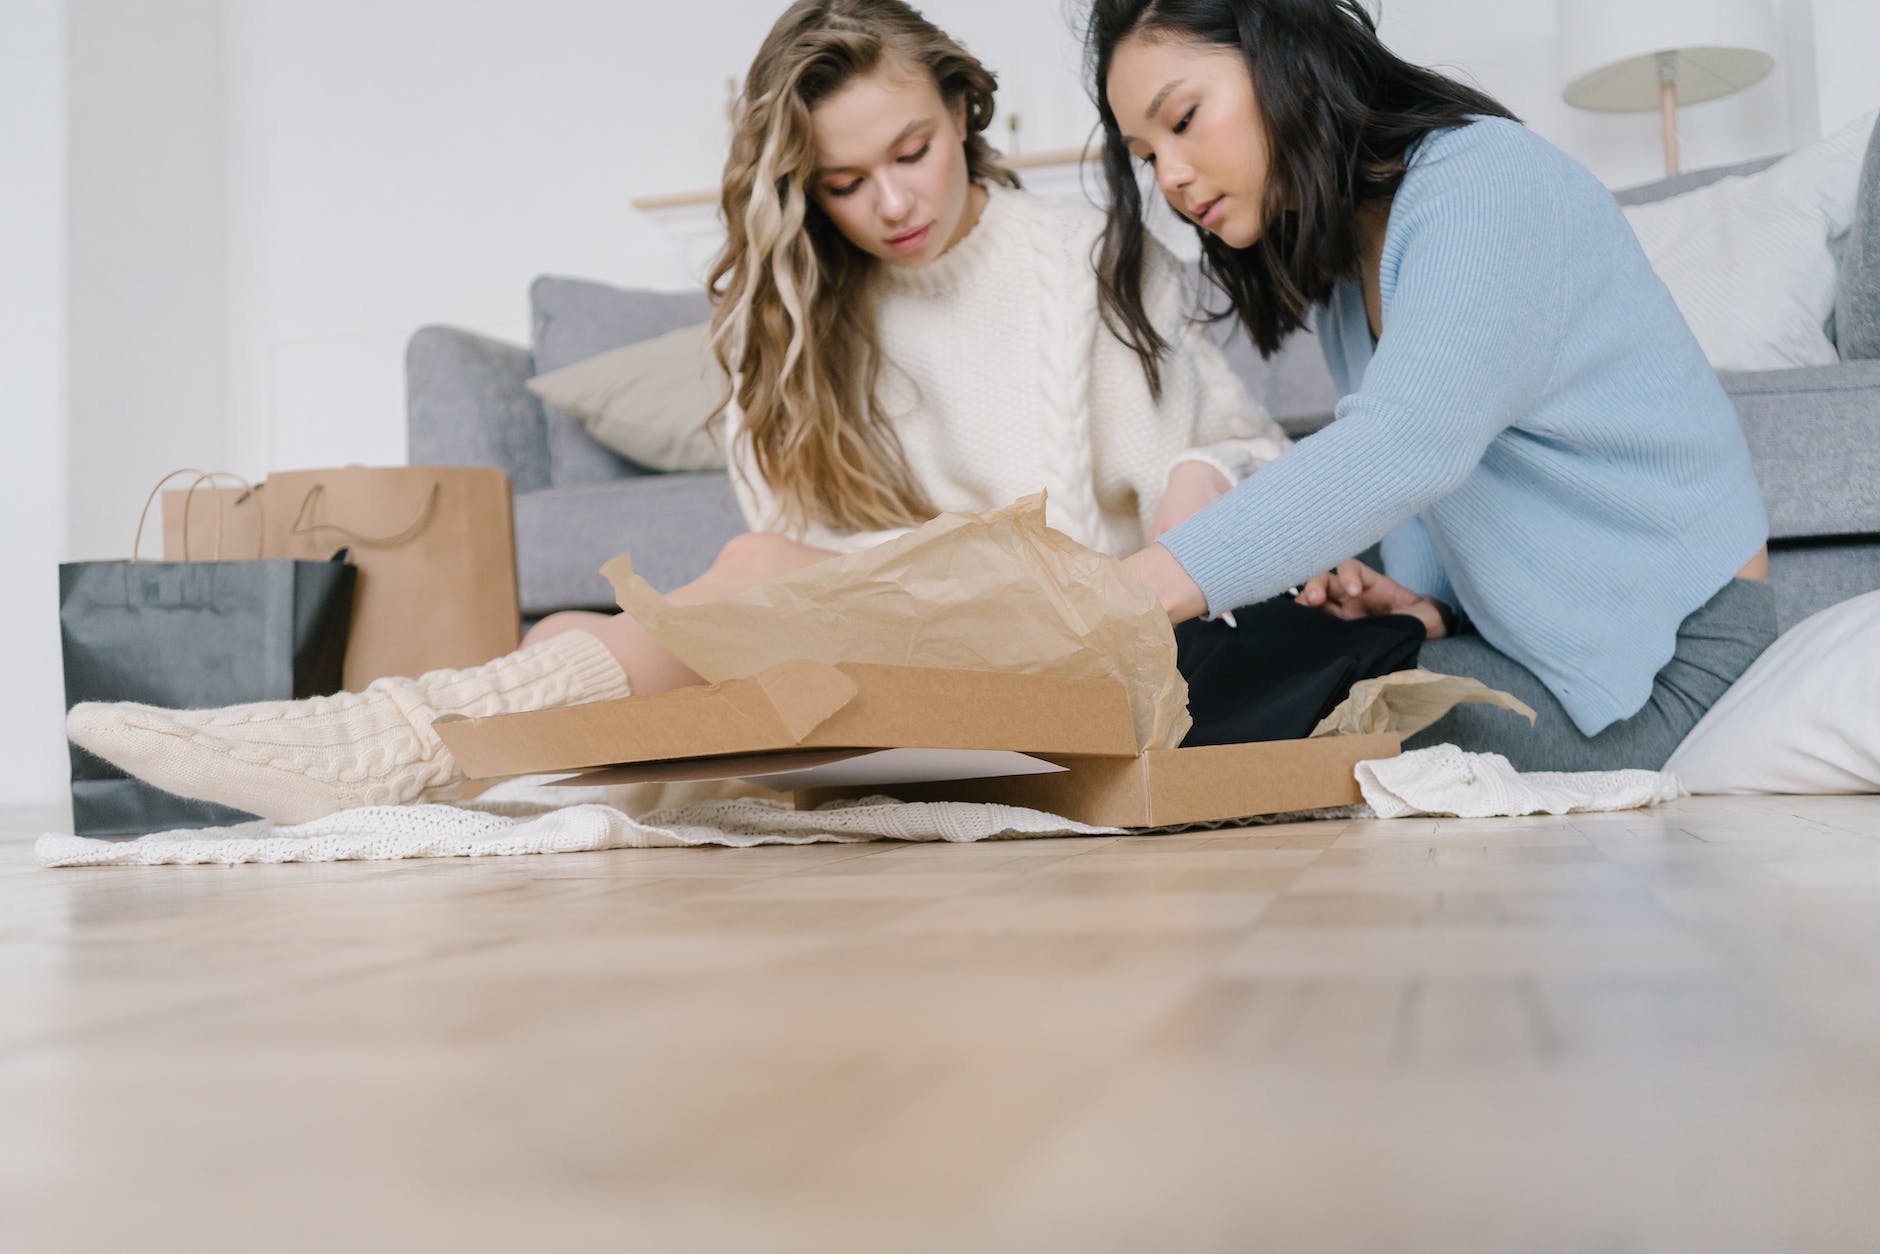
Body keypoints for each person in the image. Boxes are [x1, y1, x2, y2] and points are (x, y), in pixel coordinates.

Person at [68, 0, 1288, 825]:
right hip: (883, 651)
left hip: (1070, 645)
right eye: (842, 183)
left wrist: (1195, 510)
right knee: (603, 641)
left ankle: (389, 745)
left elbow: (1229, 448)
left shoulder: (1088, 257)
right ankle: (401, 749)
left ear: (964, 108)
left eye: (912, 148)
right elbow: (810, 564)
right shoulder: (802, 312)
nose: (892, 203)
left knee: (735, 575)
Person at [1091, 0, 1776, 771]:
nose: (1172, 177)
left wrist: (1128, 595)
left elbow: (1408, 442)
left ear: (1283, 55)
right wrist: (1426, 607)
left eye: (1182, 120)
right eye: (1147, 156)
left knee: (1229, 707)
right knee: (1211, 676)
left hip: (1670, 664)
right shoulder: (1351, 272)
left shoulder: (1485, 180)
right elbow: (1450, 479)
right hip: (1552, 653)